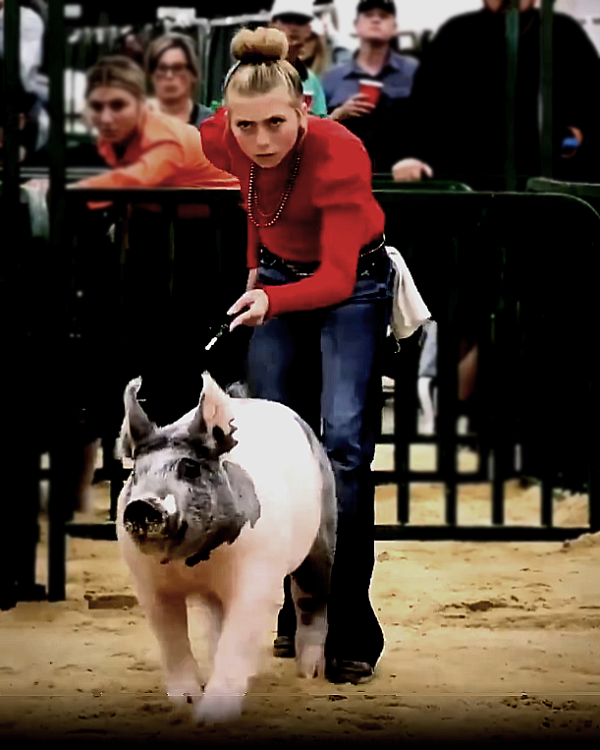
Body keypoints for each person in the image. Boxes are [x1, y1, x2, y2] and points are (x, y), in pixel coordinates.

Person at [200, 26, 394, 685]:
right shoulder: (222, 136)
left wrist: (270, 298)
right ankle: (296, 611)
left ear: (304, 107)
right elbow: (255, 200)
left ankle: (349, 626)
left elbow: (337, 278)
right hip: (278, 281)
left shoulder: (339, 151)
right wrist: (255, 267)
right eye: (245, 126)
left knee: (344, 452)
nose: (260, 139)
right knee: (277, 451)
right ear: (228, 119)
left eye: (276, 123)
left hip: (353, 286)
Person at [392, 0, 600, 187]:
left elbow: (590, 102)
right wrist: (412, 156)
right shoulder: (456, 33)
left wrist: (574, 137)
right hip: (470, 182)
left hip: (550, 183)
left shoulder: (564, 32)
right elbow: (423, 107)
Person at [73, 56, 238, 194]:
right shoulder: (114, 138)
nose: (106, 118)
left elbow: (133, 180)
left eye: (118, 106)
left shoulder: (165, 137)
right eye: (97, 107)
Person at [321, 0, 418, 174]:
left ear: (394, 27)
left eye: (383, 16)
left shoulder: (414, 72)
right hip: (345, 175)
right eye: (368, 15)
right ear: (356, 26)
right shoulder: (332, 77)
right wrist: (337, 115)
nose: (376, 20)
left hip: (401, 177)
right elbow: (314, 129)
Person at [270, 0, 328, 117]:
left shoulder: (311, 80)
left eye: (300, 21)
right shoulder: (250, 70)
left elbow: (322, 121)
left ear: (308, 30)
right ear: (272, 25)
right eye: (286, 19)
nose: (293, 27)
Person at [145, 33, 213, 129]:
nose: (169, 76)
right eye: (162, 68)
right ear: (151, 75)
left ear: (193, 74)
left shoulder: (210, 124)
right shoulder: (136, 121)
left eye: (177, 68)